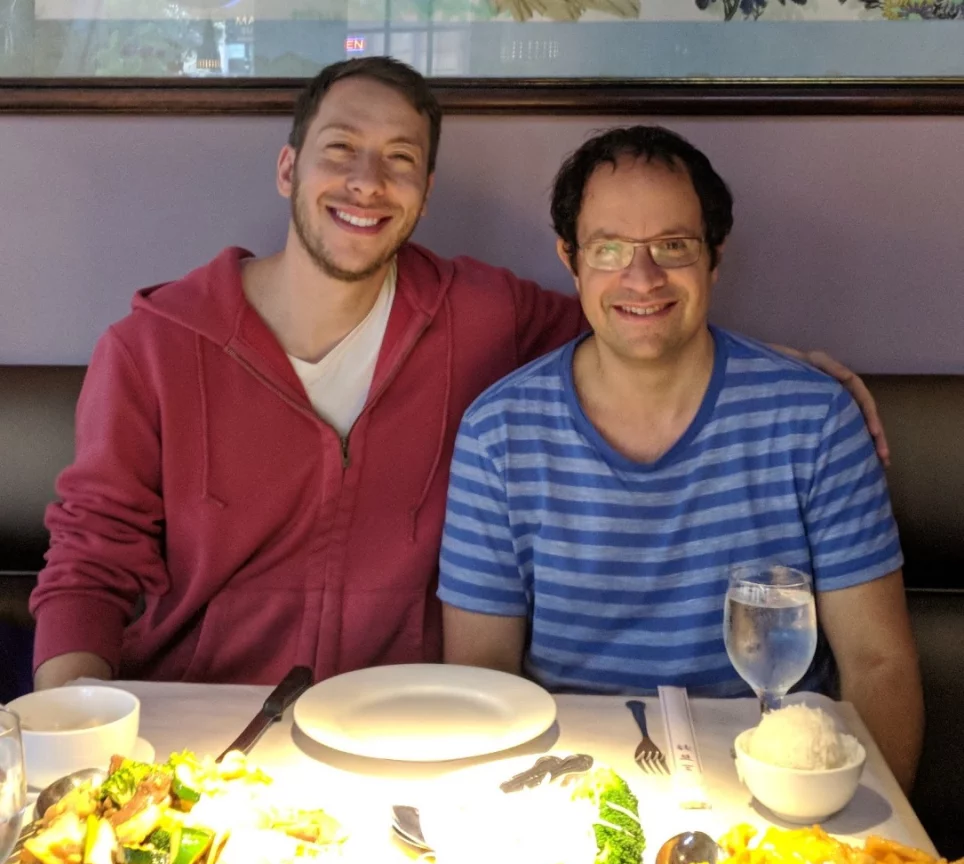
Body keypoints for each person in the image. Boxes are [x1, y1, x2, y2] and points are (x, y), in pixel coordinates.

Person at [32, 57, 886, 697]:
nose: (368, 181)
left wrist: (791, 370)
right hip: (201, 716)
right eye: (341, 150)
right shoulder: (152, 348)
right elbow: (87, 566)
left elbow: (641, 318)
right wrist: (75, 736)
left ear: (425, 192)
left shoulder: (480, 311)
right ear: (289, 169)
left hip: (400, 720)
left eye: (400, 159)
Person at [438, 125, 923, 791]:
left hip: (779, 790)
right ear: (570, 259)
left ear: (713, 258)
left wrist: (866, 843)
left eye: (673, 245)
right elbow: (483, 674)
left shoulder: (813, 419)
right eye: (609, 248)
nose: (642, 277)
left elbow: (878, 664)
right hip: (569, 789)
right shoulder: (499, 432)